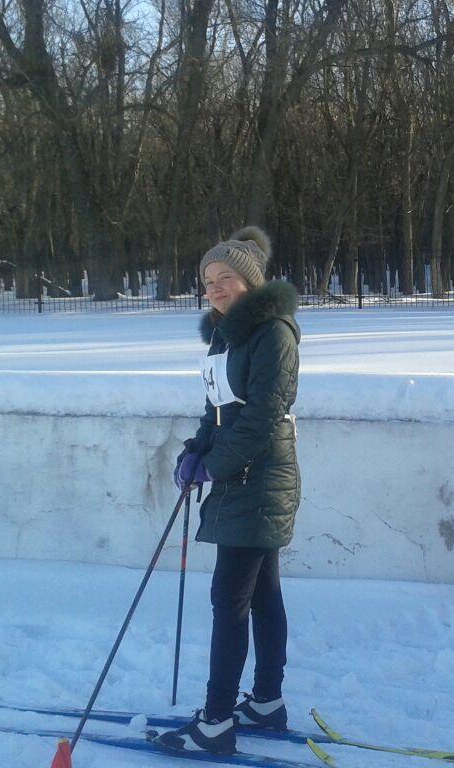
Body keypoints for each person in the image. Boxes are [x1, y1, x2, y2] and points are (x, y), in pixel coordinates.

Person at [160, 226, 302, 754]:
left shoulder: (273, 334)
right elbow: (218, 407)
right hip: (239, 475)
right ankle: (266, 702)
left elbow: (263, 415)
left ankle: (216, 723)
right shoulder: (226, 334)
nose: (214, 289)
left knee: (230, 599)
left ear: (250, 282)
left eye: (225, 279)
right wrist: (196, 449)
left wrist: (214, 465)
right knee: (262, 594)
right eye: (208, 280)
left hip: (260, 478)